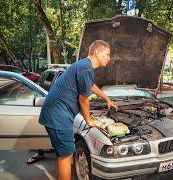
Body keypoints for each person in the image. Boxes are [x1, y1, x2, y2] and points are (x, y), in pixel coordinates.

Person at [39, 40, 117, 180]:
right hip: (58, 116)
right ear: (98, 53)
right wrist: (89, 120)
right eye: (107, 54)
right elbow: (83, 99)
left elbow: (91, 85)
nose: (109, 58)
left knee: (65, 154)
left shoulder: (84, 66)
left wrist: (106, 98)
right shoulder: (86, 68)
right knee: (66, 156)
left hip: (57, 114)